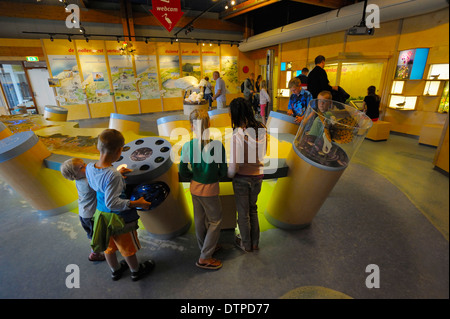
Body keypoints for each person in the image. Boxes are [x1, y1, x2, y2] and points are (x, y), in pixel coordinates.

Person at [85, 129, 154, 282]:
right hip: (119, 219)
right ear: (119, 150)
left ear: (98, 147)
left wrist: (115, 174)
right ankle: (136, 271)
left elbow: (97, 184)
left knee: (109, 247)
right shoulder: (113, 175)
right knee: (127, 248)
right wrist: (137, 203)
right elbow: (113, 203)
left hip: (101, 216)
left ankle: (115, 271)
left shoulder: (90, 167)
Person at [179, 110, 227, 270]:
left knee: (199, 220)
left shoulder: (187, 146)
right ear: (209, 125)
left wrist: (193, 175)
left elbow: (183, 170)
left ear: (191, 126)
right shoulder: (218, 145)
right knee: (215, 221)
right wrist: (216, 175)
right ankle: (205, 257)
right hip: (211, 190)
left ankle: (206, 247)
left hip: (195, 188)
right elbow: (224, 170)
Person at [228, 97, 267, 253]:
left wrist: (229, 174)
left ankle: (245, 244)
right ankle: (255, 243)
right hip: (258, 177)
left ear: (236, 114)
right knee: (253, 209)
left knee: (243, 214)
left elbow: (234, 166)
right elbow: (263, 153)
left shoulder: (237, 135)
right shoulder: (262, 129)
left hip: (242, 180)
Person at [60, 158, 104, 262]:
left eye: (84, 164)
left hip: (83, 214)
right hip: (91, 215)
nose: (86, 166)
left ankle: (95, 251)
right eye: (82, 167)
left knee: (91, 234)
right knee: (97, 236)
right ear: (74, 175)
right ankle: (95, 254)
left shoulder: (79, 180)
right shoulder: (87, 181)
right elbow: (102, 184)